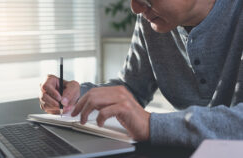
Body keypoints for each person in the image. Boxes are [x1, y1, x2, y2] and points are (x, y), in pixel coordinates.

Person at [39, 0, 243, 148]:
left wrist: (150, 124)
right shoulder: (153, 21)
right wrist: (78, 96)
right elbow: (130, 88)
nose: (135, 7)